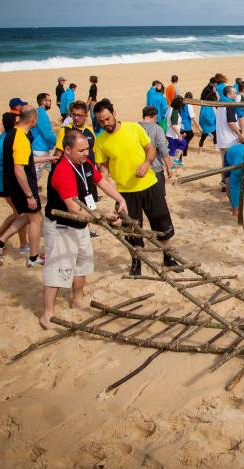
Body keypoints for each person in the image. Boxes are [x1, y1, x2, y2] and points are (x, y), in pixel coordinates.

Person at [39, 131, 128, 329]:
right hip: (62, 225)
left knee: (83, 262)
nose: (86, 153)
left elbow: (101, 181)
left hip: (82, 223)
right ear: (67, 150)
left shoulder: (85, 164)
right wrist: (102, 216)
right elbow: (73, 207)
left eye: (87, 149)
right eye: (81, 150)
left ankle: (77, 299)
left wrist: (119, 198)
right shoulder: (63, 171)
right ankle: (48, 313)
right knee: (58, 267)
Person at [93, 99, 178, 276]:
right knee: (131, 231)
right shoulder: (100, 141)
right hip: (125, 193)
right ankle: (136, 261)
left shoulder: (134, 128)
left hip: (149, 185)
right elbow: (103, 169)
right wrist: (108, 187)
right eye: (101, 121)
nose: (105, 123)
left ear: (114, 113)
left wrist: (146, 163)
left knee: (162, 223)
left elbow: (150, 148)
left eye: (108, 119)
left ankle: (168, 257)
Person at [0, 107, 47, 266]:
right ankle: (34, 257)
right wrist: (29, 195)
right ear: (33, 119)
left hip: (14, 185)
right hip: (22, 186)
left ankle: (0, 241)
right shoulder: (21, 138)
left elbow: (25, 160)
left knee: (27, 216)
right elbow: (19, 168)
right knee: (36, 219)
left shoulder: (11, 134)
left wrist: (48, 158)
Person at [0, 113, 29, 256]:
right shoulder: (6, 140)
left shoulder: (7, 137)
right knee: (21, 214)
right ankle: (21, 244)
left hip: (6, 182)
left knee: (18, 213)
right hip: (7, 184)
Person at [139, 107, 173, 189]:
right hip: (154, 169)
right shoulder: (158, 129)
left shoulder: (135, 128)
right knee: (157, 196)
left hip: (138, 169)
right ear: (154, 116)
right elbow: (163, 150)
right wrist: (169, 167)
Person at [31, 93, 57, 182]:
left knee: (56, 170)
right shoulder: (41, 113)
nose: (50, 102)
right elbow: (47, 134)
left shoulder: (38, 112)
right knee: (34, 178)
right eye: (49, 100)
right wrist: (58, 142)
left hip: (43, 149)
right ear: (43, 102)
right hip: (39, 150)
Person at [216, 86, 244, 165]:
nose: (236, 95)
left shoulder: (220, 104)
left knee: (224, 164)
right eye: (234, 93)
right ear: (228, 95)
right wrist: (239, 134)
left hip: (221, 140)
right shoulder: (230, 104)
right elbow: (231, 123)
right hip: (230, 140)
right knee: (232, 165)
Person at [166, 95, 188, 165]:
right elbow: (174, 125)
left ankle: (175, 160)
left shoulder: (170, 108)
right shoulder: (174, 112)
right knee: (172, 150)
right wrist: (179, 135)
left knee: (183, 143)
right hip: (173, 135)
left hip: (171, 133)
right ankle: (170, 165)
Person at [198, 83, 218, 150]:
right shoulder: (207, 108)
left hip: (206, 125)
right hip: (209, 125)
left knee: (203, 137)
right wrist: (215, 121)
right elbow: (208, 118)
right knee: (214, 135)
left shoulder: (205, 106)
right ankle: (215, 148)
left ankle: (200, 150)